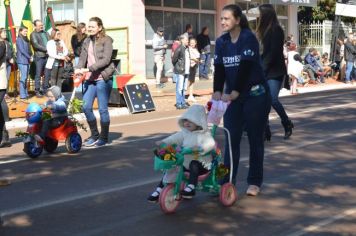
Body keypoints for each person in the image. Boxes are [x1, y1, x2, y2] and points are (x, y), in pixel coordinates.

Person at [212, 4, 271, 196]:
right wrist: (217, 91)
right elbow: (220, 68)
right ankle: (227, 181)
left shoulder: (248, 38)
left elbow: (245, 66)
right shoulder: (221, 42)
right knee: (231, 139)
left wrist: (236, 90)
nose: (223, 22)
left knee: (255, 139)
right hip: (234, 98)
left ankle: (254, 181)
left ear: (237, 20)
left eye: (227, 18)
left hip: (255, 96)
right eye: (222, 19)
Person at [147, 105, 215, 202]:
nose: (187, 123)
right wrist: (164, 142)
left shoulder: (205, 134)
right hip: (185, 162)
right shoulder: (185, 133)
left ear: (199, 121)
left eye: (191, 121)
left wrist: (199, 148)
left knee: (194, 164)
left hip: (202, 165)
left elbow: (210, 143)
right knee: (172, 167)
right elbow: (174, 138)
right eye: (185, 120)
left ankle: (191, 187)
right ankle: (159, 190)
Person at [75, 17, 115, 147]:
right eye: (89, 26)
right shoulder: (87, 40)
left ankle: (103, 137)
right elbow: (82, 58)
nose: (90, 28)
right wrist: (78, 69)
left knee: (103, 109)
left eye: (92, 26)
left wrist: (88, 68)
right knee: (86, 107)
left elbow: (106, 60)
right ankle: (94, 135)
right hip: (90, 79)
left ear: (100, 27)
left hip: (103, 78)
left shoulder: (107, 40)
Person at [256, 4, 293, 141]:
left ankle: (286, 122)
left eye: (260, 14)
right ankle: (266, 129)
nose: (259, 17)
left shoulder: (276, 30)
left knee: (272, 99)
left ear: (266, 15)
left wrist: (262, 68)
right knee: (262, 100)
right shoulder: (262, 30)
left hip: (275, 71)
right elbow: (261, 52)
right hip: (264, 68)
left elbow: (272, 53)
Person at [30, 20, 50, 97]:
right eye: (39, 25)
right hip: (39, 57)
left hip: (47, 57)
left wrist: (50, 50)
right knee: (38, 74)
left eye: (42, 25)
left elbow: (50, 42)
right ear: (35, 26)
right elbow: (36, 45)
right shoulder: (33, 34)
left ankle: (45, 89)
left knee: (47, 74)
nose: (41, 26)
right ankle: (37, 90)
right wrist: (47, 50)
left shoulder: (46, 33)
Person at [172, 33, 190, 110]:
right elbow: (174, 60)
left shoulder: (186, 48)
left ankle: (182, 102)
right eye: (186, 40)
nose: (188, 41)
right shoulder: (179, 48)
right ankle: (179, 103)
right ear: (182, 40)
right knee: (179, 88)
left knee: (183, 88)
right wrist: (178, 68)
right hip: (180, 71)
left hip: (186, 71)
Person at [16, 26, 33, 99]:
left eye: (26, 31)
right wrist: (29, 57)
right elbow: (22, 50)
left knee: (26, 78)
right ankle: (22, 94)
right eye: (24, 31)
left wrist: (31, 56)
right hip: (22, 61)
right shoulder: (19, 39)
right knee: (23, 78)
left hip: (27, 61)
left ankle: (25, 93)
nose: (26, 32)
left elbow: (29, 50)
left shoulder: (26, 39)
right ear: (20, 32)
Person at [187, 37, 200, 102]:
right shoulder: (188, 49)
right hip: (189, 66)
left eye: (193, 43)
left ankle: (191, 95)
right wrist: (198, 61)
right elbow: (191, 57)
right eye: (191, 43)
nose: (192, 44)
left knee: (192, 81)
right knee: (188, 81)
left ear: (195, 43)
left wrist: (198, 61)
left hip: (194, 66)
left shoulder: (195, 49)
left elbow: (197, 58)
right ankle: (182, 94)